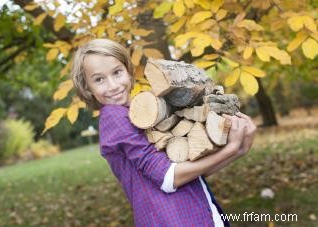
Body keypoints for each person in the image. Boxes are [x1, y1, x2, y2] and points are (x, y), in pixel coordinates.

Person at [71, 38, 257, 227]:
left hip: (195, 213)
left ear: (128, 71)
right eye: (99, 79)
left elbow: (188, 174)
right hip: (172, 219)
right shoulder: (114, 116)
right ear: (87, 88)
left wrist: (238, 151)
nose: (112, 85)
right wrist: (231, 149)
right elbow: (168, 177)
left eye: (117, 72)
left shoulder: (138, 113)